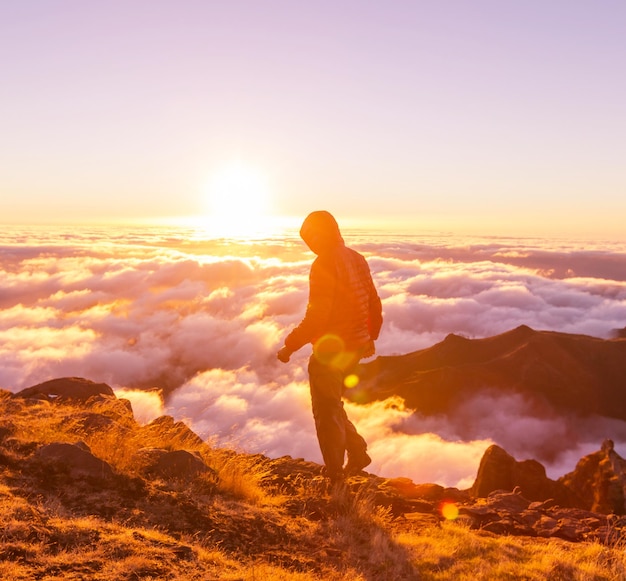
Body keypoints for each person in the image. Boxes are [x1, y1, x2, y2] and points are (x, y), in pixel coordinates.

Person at [277, 211, 383, 484]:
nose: (310, 245)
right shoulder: (357, 258)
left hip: (332, 351)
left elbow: (317, 317)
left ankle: (335, 475)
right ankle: (358, 452)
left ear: (324, 234)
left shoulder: (324, 264)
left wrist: (289, 346)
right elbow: (373, 302)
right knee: (332, 404)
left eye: (311, 238)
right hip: (355, 347)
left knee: (325, 412)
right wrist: (370, 337)